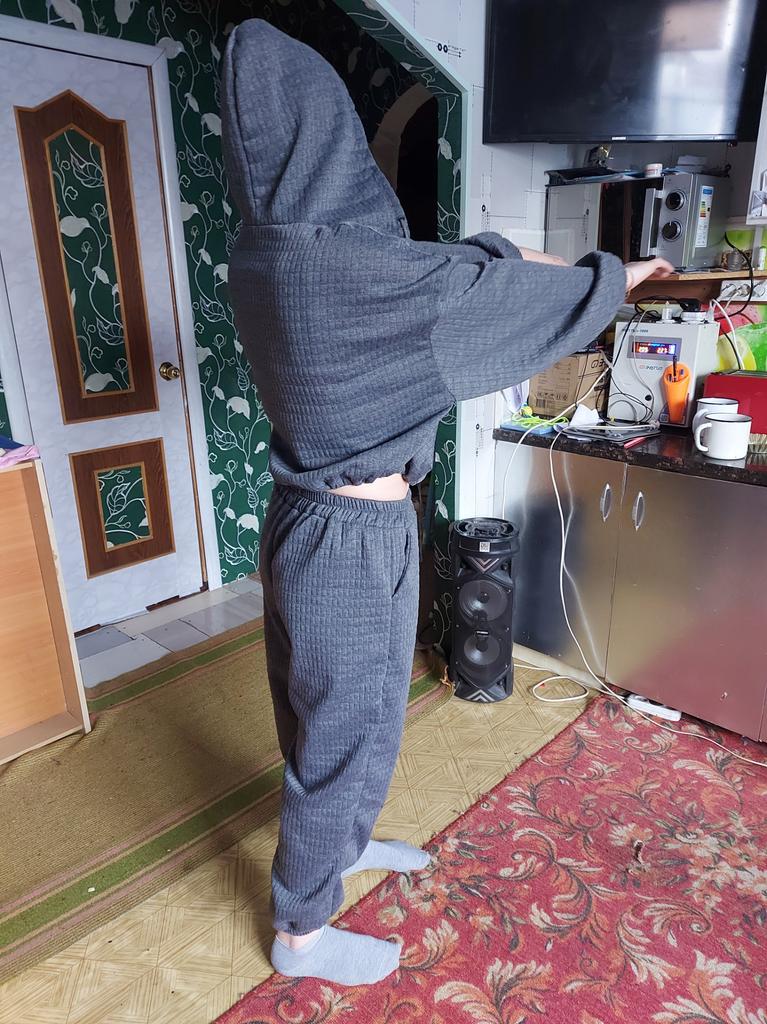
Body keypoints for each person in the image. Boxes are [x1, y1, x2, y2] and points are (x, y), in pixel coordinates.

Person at [220, 18, 672, 988]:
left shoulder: (262, 258)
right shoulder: (350, 276)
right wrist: (611, 278)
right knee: (341, 732)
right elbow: (488, 290)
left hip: (314, 519)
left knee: (344, 713)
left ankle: (341, 849)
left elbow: (461, 267)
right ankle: (299, 933)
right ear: (327, 136)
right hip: (349, 538)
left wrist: (521, 265)